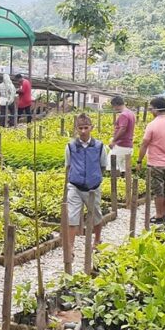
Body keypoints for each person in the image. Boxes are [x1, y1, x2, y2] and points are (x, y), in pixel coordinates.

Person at [64, 114, 108, 251]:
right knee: (72, 216)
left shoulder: (99, 146)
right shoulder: (70, 146)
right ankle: (70, 247)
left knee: (96, 214)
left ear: (91, 128)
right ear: (76, 129)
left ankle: (97, 240)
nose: (83, 131)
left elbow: (103, 166)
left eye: (86, 128)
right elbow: (68, 165)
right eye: (80, 128)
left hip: (93, 187)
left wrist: (95, 177)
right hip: (75, 186)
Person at [109, 96, 136, 175]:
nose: (114, 109)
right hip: (128, 144)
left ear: (116, 105)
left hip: (121, 144)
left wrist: (114, 141)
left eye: (113, 106)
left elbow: (123, 129)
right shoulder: (131, 113)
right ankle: (124, 184)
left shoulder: (123, 115)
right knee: (123, 168)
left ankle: (116, 183)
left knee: (113, 164)